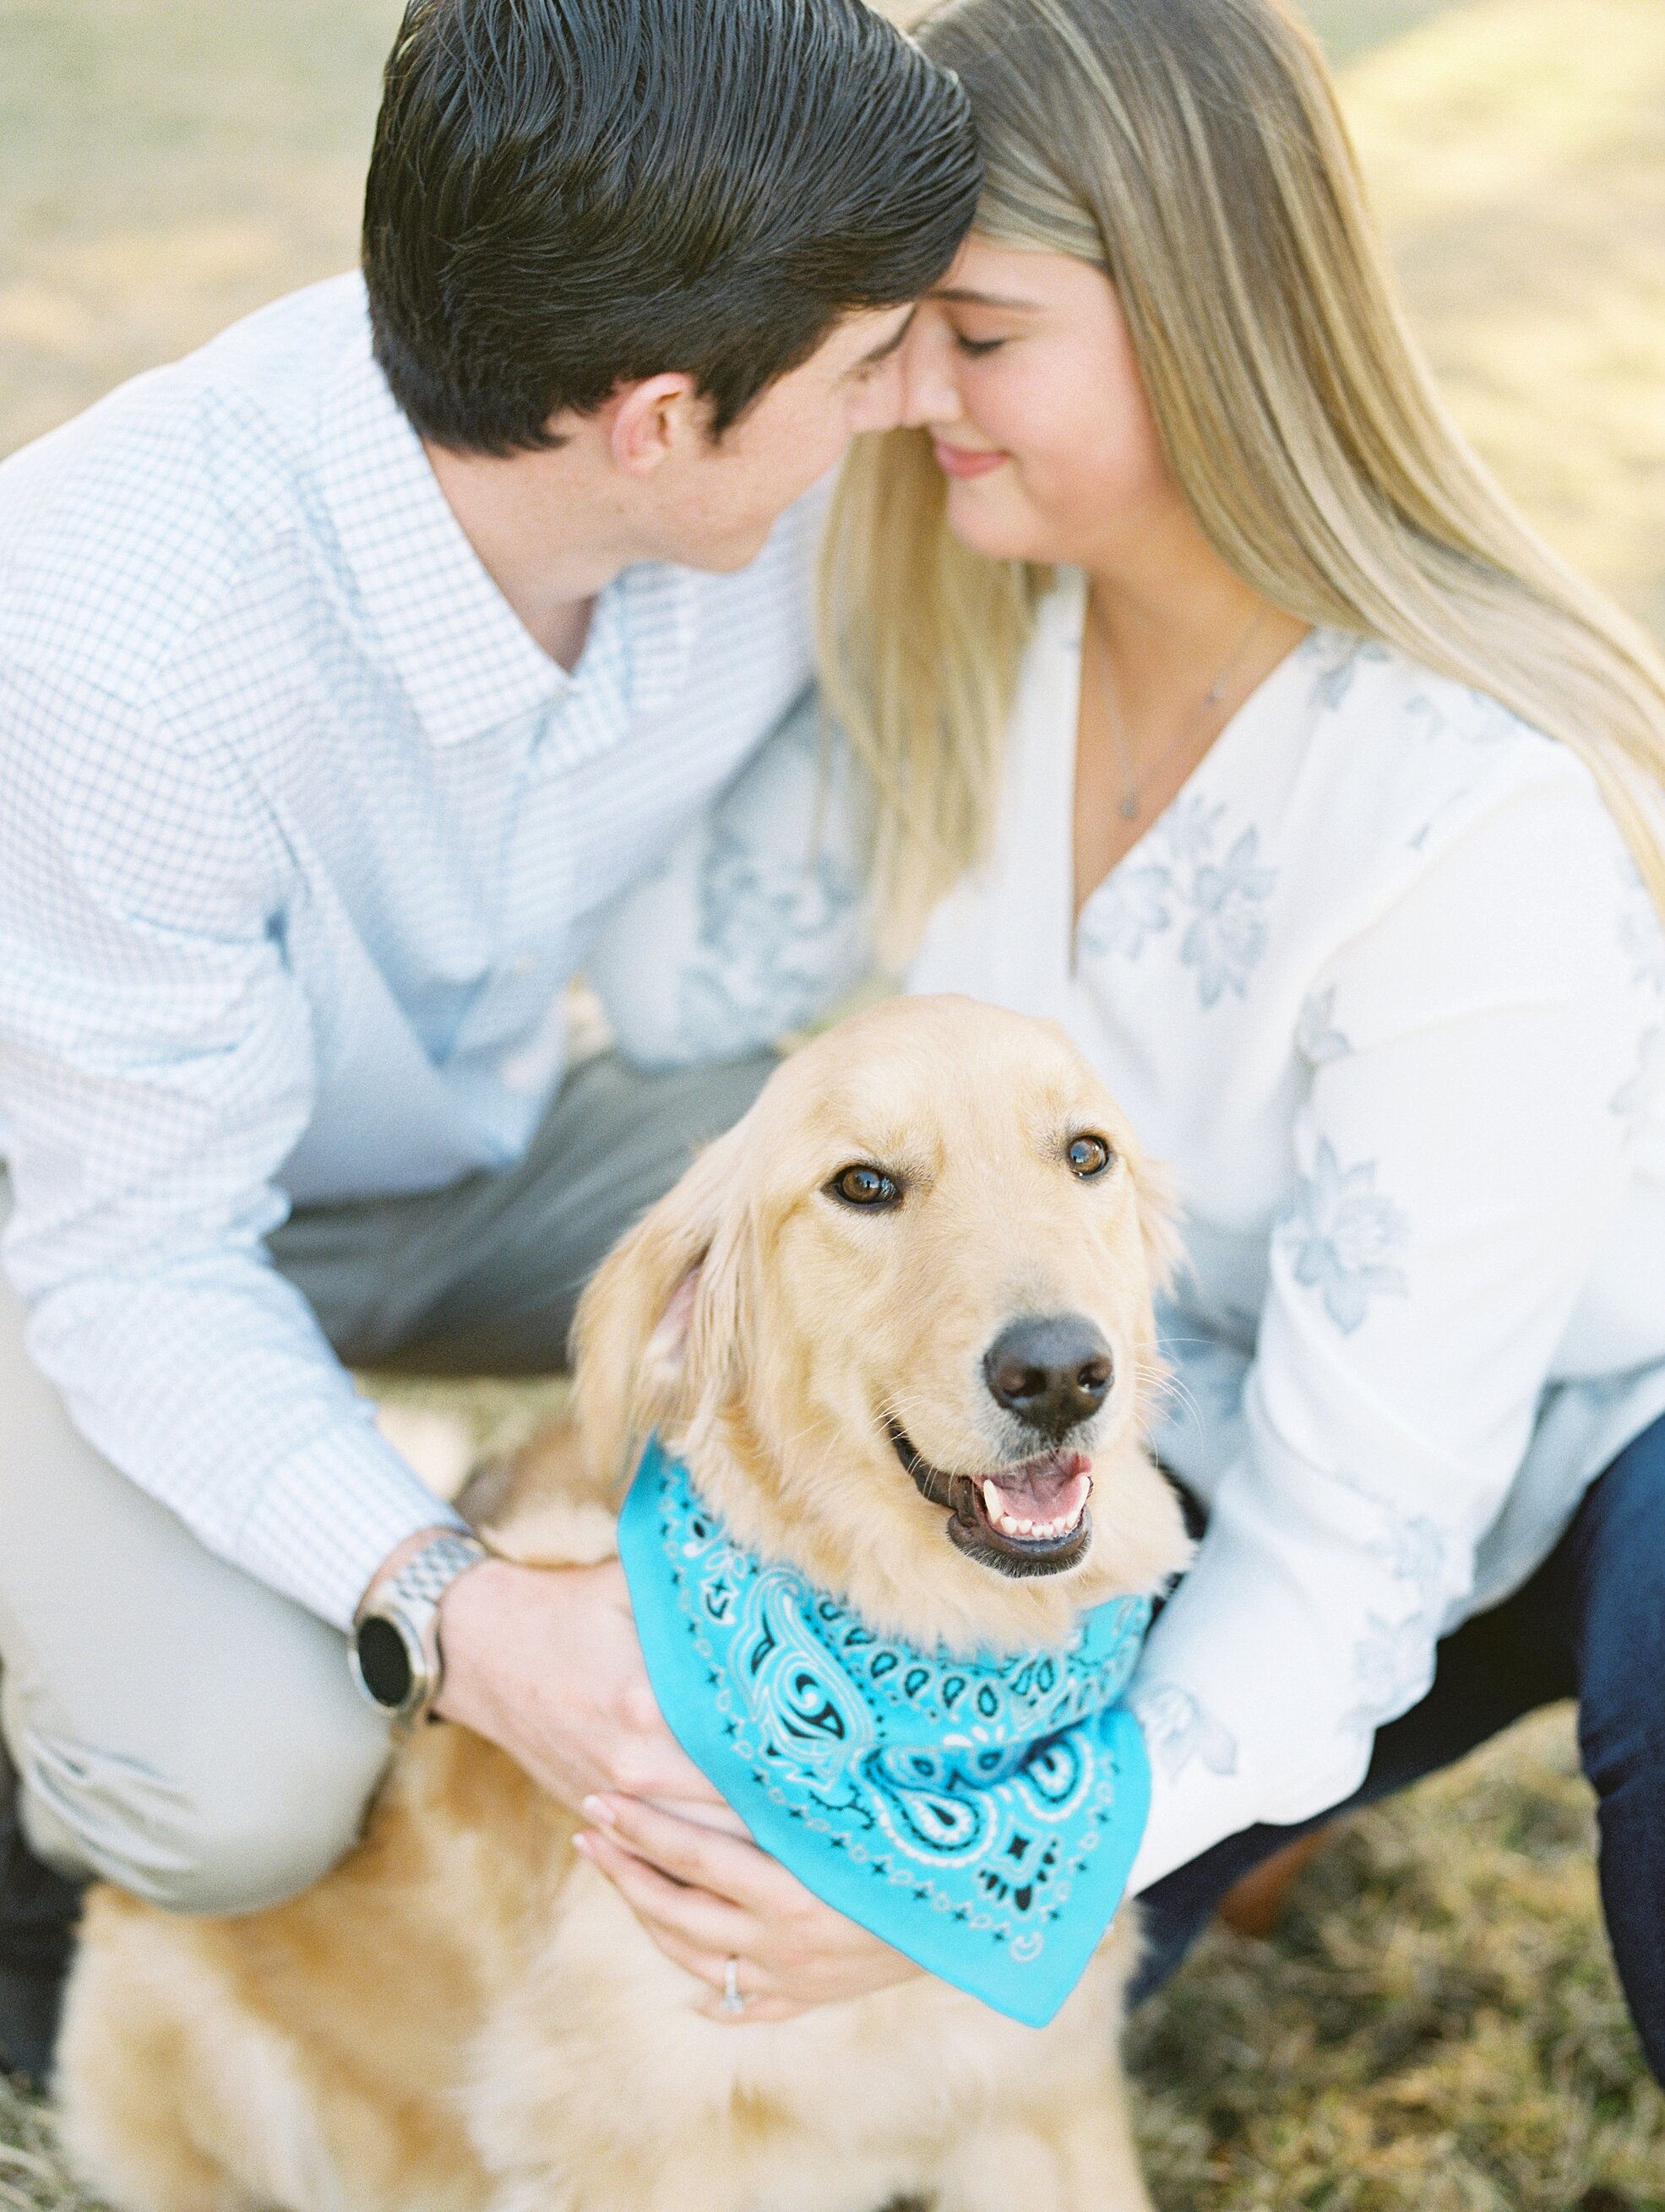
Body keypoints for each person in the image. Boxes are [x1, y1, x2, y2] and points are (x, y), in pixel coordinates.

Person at [574, 0, 1665, 2084]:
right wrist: (722, 490)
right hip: (1172, 1463)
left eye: (972, 336)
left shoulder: (1468, 815)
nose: (905, 397)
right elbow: (667, 986)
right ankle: (1263, 1810)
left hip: (1585, 1446)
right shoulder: (983, 635)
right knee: (842, 2026)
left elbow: (1363, 1530)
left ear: (1198, 318)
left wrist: (957, 1862)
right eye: (884, 337)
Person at [0, 0, 981, 2083]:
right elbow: (132, 1261)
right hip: (71, 1224)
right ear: (652, 418)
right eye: (864, 362)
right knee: (248, 1781)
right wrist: (465, 1607)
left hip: (465, 1137)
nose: (913, 398)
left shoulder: (739, 463)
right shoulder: (113, 641)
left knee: (928, 1245)